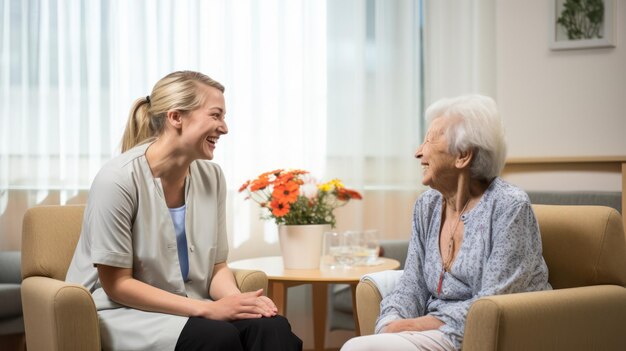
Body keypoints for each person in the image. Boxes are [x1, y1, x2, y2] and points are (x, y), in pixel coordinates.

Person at [66, 71, 303, 351]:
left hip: (190, 305)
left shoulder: (212, 177)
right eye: (215, 115)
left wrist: (238, 302)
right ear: (176, 117)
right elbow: (117, 284)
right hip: (123, 312)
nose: (224, 128)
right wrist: (207, 310)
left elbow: (216, 267)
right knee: (218, 338)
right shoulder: (117, 179)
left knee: (271, 327)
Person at [341, 94, 550, 351]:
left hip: (479, 335)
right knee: (362, 345)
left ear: (462, 155)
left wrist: (414, 326)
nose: (418, 152)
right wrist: (390, 321)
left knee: (359, 348)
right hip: (434, 331)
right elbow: (413, 283)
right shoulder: (427, 205)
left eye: (429, 140)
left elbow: (495, 302)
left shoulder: (509, 206)